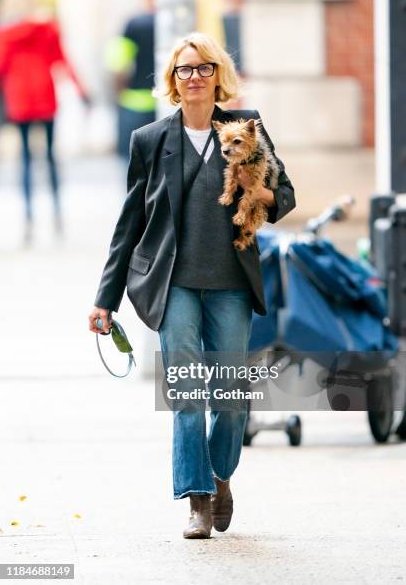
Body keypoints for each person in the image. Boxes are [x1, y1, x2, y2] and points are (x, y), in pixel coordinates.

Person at [88, 32, 296, 539]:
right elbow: (130, 221)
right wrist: (105, 298)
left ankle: (221, 477)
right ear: (173, 81)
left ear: (218, 76)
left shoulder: (247, 129)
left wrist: (257, 190)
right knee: (186, 392)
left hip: (230, 284)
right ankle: (197, 498)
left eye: (204, 67)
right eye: (185, 69)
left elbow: (285, 196)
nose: (195, 76)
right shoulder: (150, 140)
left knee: (229, 399)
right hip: (174, 284)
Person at [0, 17, 87, 243]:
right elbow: (62, 61)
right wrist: (81, 89)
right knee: (50, 156)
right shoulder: (47, 31)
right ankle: (57, 214)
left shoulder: (6, 36)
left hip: (20, 101)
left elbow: (0, 67)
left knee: (26, 159)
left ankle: (29, 217)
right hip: (45, 97)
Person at [105, 0, 156, 160]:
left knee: (133, 161)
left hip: (134, 102)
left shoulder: (134, 24)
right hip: (168, 103)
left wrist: (118, 95)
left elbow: (118, 65)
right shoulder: (176, 24)